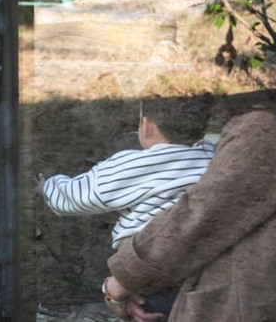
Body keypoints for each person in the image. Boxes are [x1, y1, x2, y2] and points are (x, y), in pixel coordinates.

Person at [103, 106, 276, 322]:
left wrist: (122, 280)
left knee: (150, 301)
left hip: (269, 303)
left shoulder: (262, 126)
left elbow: (201, 216)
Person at [38, 100, 214, 316]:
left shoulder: (132, 164)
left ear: (146, 125)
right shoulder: (212, 158)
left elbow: (77, 196)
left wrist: (47, 187)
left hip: (148, 276)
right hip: (201, 276)